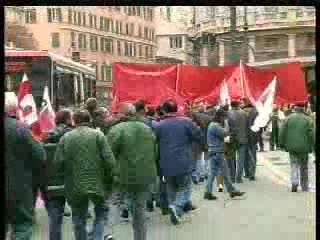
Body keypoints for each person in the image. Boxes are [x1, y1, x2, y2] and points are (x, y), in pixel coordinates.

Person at [55, 109, 117, 240]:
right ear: (89, 120)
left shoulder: (66, 138)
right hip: (98, 182)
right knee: (101, 212)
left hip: (74, 184)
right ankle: (97, 236)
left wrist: (64, 178)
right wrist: (110, 179)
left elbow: (58, 163)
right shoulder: (98, 136)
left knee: (78, 217)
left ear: (74, 121)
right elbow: (109, 160)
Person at [107, 103, 158, 240]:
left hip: (121, 175)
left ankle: (108, 233)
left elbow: (108, 154)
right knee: (139, 211)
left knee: (113, 203)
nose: (116, 115)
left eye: (117, 113)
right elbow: (155, 151)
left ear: (123, 114)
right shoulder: (147, 129)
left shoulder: (117, 130)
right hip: (144, 176)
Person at [154, 100, 202, 225]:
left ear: (164, 110)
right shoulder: (186, 122)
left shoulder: (159, 125)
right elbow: (198, 135)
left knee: (171, 187)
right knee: (184, 187)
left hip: (166, 162)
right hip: (183, 161)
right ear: (176, 109)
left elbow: (154, 142)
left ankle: (173, 210)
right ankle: (177, 207)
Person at [5, 99, 47, 240]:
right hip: (17, 187)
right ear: (12, 111)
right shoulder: (20, 128)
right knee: (22, 226)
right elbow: (40, 155)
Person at [43, 109, 73, 240]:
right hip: (73, 180)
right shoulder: (73, 135)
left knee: (55, 220)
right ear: (67, 120)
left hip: (52, 182)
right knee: (80, 218)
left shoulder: (46, 137)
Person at [204, 108, 246, 200]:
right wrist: (227, 123)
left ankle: (208, 192)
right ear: (220, 117)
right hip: (218, 152)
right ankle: (232, 191)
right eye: (224, 117)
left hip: (213, 152)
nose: (224, 119)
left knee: (212, 173)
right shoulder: (215, 126)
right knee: (225, 173)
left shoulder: (213, 125)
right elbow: (225, 133)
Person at [279, 102, 314, 192]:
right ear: (303, 108)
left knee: (294, 164)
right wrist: (311, 147)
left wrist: (281, 144)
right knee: (304, 167)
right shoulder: (308, 119)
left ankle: (294, 182)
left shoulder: (288, 118)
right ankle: (304, 185)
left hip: (291, 146)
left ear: (295, 108)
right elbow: (311, 135)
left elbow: (282, 132)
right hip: (304, 147)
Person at [228, 100, 249, 183]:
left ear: (231, 105)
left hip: (232, 139)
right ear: (238, 105)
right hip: (242, 138)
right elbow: (248, 127)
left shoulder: (227, 114)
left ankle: (232, 177)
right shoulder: (244, 114)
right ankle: (238, 178)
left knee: (231, 159)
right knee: (241, 159)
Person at [243, 102, 259, 181]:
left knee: (246, 157)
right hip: (253, 139)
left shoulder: (243, 114)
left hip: (246, 139)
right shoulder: (256, 114)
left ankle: (247, 173)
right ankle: (251, 174)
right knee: (252, 157)